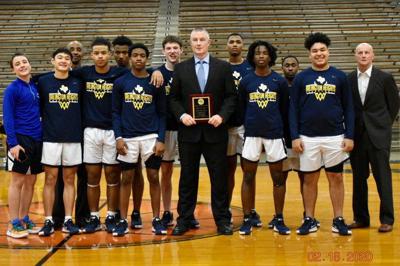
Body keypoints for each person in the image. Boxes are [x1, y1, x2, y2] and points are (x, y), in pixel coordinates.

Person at [169, 27, 237, 235]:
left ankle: (222, 220)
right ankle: (185, 218)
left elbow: (231, 97)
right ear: (190, 44)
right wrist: (182, 115)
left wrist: (222, 116)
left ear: (209, 43)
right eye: (195, 40)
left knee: (219, 177)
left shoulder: (223, 67)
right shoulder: (181, 69)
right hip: (189, 133)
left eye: (202, 40)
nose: (198, 43)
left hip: (215, 131)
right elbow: (173, 98)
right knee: (188, 177)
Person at [290, 32, 354, 236]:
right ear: (309, 54)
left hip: (335, 136)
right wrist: (295, 136)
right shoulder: (301, 77)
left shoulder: (340, 76)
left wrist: (349, 135)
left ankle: (338, 219)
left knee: (336, 177)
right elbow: (293, 110)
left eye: (322, 50)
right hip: (308, 137)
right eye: (315, 51)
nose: (319, 53)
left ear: (328, 52)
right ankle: (309, 218)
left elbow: (349, 108)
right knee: (310, 179)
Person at [112, 43, 167, 236]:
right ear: (129, 57)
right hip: (128, 138)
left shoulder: (155, 82)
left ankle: (156, 219)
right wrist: (118, 137)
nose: (138, 58)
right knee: (126, 178)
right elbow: (116, 113)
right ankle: (122, 220)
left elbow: (162, 113)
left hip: (151, 137)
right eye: (134, 55)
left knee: (153, 177)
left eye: (142, 55)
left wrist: (161, 139)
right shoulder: (120, 82)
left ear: (147, 58)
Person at [238, 40, 290, 235]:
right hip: (251, 134)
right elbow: (241, 108)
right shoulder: (246, 81)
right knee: (248, 176)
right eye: (257, 53)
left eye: (265, 53)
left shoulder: (279, 81)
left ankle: (279, 218)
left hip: (274, 134)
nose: (261, 56)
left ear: (270, 57)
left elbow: (284, 109)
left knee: (278, 178)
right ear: (252, 56)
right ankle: (247, 217)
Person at [348, 43, 399, 233]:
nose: (363, 55)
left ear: (373, 56)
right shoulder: (349, 79)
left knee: (383, 177)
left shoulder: (385, 78)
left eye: (366, 52)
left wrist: (383, 125)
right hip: (357, 137)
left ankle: (387, 219)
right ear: (355, 56)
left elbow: (394, 106)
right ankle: (361, 218)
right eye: (360, 52)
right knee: (358, 179)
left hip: (378, 135)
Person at [37, 48, 82, 236]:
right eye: (60, 58)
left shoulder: (78, 82)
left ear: (71, 62)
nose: (63, 61)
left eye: (67, 58)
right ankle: (48, 220)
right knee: (50, 179)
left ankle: (68, 220)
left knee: (70, 179)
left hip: (73, 137)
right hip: (50, 137)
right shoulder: (43, 82)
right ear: (52, 61)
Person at [276, 55, 321, 229]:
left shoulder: (304, 85)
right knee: (280, 179)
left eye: (293, 65)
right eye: (286, 65)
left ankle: (307, 215)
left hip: (302, 139)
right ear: (282, 68)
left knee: (306, 179)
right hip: (282, 140)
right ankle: (279, 217)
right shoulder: (278, 86)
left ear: (298, 67)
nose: (290, 68)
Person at [3, 53, 42, 238]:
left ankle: (25, 218)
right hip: (20, 139)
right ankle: (13, 223)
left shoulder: (34, 86)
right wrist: (13, 143)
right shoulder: (12, 89)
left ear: (30, 65)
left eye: (24, 62)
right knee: (17, 181)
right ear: (13, 69)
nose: (22, 65)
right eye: (17, 64)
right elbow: (8, 117)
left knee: (31, 181)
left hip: (37, 139)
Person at [225, 33, 262, 227]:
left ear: (243, 46)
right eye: (231, 42)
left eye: (238, 42)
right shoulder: (220, 68)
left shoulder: (250, 68)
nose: (235, 45)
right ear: (226, 46)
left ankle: (250, 210)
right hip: (226, 126)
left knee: (249, 171)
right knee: (227, 171)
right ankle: (227, 209)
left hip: (246, 126)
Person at [52, 40, 89, 229]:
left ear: (83, 54)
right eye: (70, 50)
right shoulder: (52, 78)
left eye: (77, 50)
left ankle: (82, 217)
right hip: (60, 134)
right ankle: (58, 217)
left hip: (82, 134)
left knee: (83, 177)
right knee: (60, 178)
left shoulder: (84, 76)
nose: (74, 53)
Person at [112, 35, 146, 230]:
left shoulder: (144, 73)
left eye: (126, 52)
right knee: (114, 173)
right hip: (111, 129)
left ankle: (135, 212)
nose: (122, 56)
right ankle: (115, 211)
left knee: (136, 171)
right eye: (118, 52)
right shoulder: (108, 73)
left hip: (132, 130)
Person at [158, 35, 182, 227]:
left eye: (175, 48)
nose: (172, 51)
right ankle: (167, 211)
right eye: (169, 48)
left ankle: (185, 211)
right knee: (165, 172)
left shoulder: (189, 70)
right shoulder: (156, 73)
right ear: (163, 51)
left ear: (181, 50)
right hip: (166, 129)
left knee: (188, 173)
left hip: (187, 128)